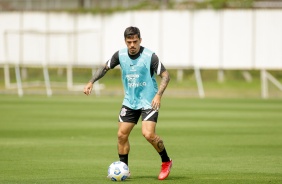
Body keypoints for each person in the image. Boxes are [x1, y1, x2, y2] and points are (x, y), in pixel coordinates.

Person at [83, 26, 172, 180]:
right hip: (130, 101)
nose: (132, 45)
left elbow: (166, 76)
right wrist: (91, 82)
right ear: (125, 41)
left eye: (135, 41)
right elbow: (105, 68)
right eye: (129, 41)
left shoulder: (150, 56)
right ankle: (125, 168)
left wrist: (158, 96)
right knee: (121, 135)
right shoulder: (120, 55)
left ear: (140, 41)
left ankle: (166, 161)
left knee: (148, 134)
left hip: (148, 101)